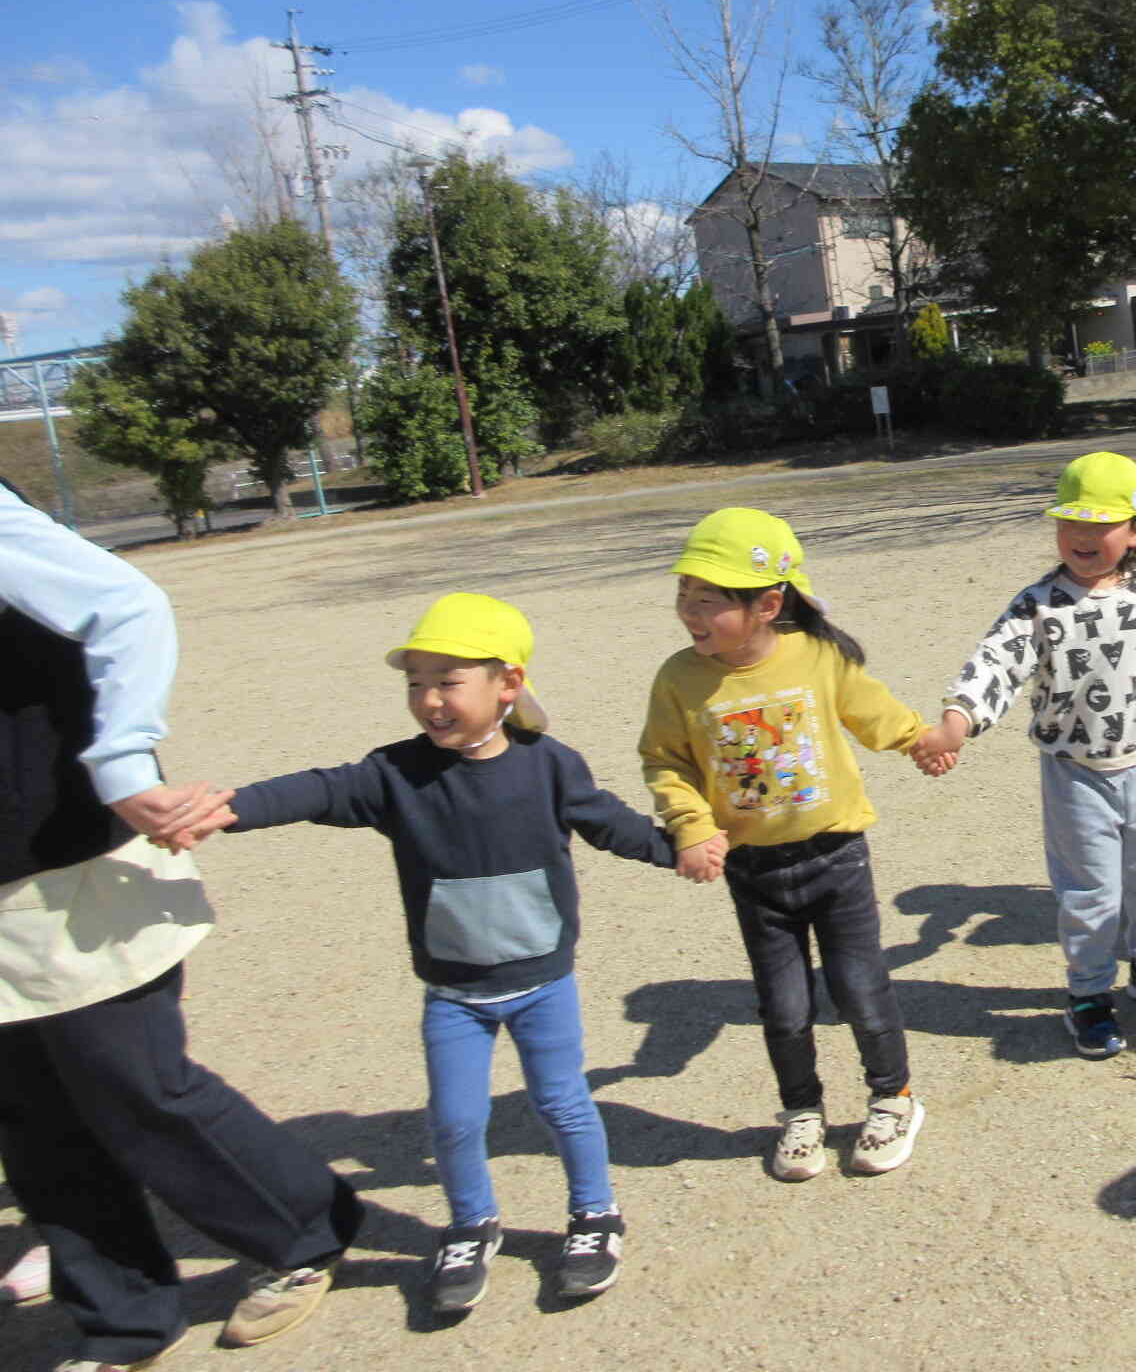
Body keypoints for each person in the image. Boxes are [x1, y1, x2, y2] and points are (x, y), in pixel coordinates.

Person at [213, 592, 671, 1314]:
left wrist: (687, 851)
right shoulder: (394, 775)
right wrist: (232, 805)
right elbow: (320, 789)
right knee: (454, 1119)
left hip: (541, 980)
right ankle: (470, 1226)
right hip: (453, 993)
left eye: (447, 682)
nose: (428, 700)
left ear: (507, 685)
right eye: (415, 683)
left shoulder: (550, 766)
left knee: (564, 1104)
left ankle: (593, 1217)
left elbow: (610, 824)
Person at [0, 478, 361, 1369]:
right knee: (32, 1120)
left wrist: (121, 758)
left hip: (64, 857)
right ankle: (122, 1318)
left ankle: (306, 1228)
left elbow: (128, 604)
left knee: (134, 1084)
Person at [640, 509, 947, 1182]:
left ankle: (893, 1098)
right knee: (783, 1007)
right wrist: (690, 825)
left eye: (709, 600)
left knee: (860, 989)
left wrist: (920, 739)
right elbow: (666, 762)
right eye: (684, 597)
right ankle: (800, 1110)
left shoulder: (817, 657)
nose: (690, 613)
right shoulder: (679, 679)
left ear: (768, 605)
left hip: (836, 858)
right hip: (755, 874)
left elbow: (872, 709)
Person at [921, 451, 1136, 1059]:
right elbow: (997, 661)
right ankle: (1087, 993)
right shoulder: (1041, 605)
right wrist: (958, 720)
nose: (1081, 537)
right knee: (1093, 892)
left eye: (1099, 524)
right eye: (1070, 523)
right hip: (1076, 774)